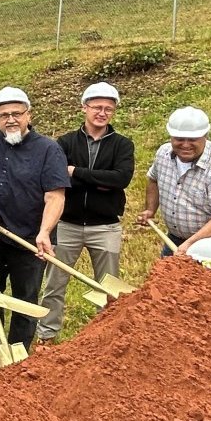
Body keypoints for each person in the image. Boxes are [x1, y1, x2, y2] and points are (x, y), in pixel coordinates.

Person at [0, 87, 68, 351]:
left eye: (16, 114)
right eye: (4, 115)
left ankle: (19, 347)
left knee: (26, 296)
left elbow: (55, 196)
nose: (10, 120)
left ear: (28, 115)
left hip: (31, 238)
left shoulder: (48, 149)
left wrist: (44, 232)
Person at [38, 82, 135, 343]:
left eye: (108, 109)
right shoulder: (65, 142)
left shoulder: (122, 145)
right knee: (55, 283)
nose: (102, 113)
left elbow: (121, 179)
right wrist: (99, 180)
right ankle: (46, 335)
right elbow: (58, 177)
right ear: (84, 107)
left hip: (105, 226)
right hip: (66, 224)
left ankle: (104, 339)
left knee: (108, 286)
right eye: (97, 107)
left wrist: (77, 172)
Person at [140, 107, 211, 255]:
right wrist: (150, 210)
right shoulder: (163, 154)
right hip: (177, 238)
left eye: (192, 139)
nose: (185, 144)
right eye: (179, 139)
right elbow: (153, 179)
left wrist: (190, 244)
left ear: (205, 136)